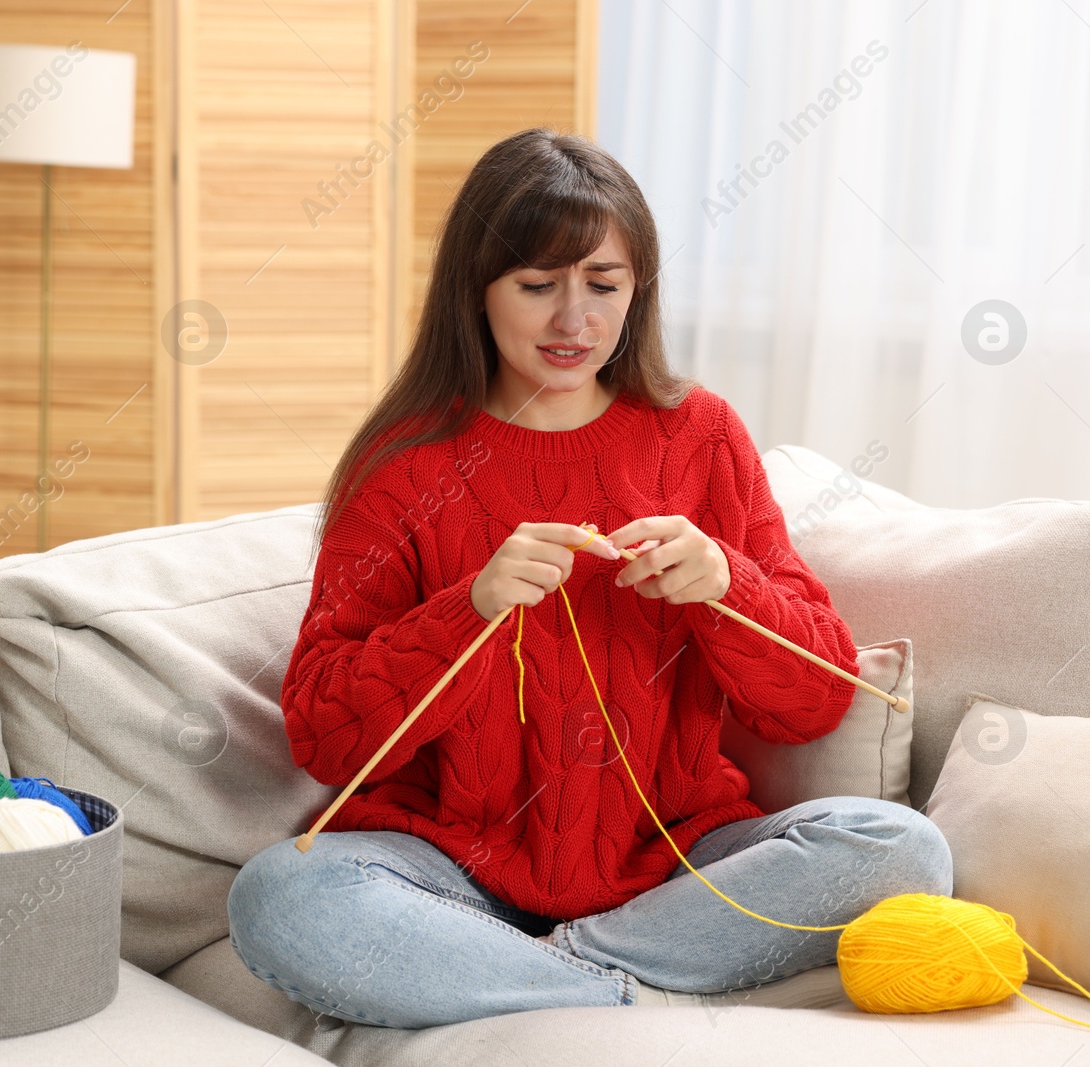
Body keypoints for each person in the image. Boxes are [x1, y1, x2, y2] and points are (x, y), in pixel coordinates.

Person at [227, 127, 952, 1029]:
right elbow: (324, 731)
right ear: (476, 292)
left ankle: (563, 976)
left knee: (903, 848)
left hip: (677, 866)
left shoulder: (701, 436)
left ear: (637, 289)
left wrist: (725, 586)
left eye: (603, 286)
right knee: (279, 897)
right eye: (538, 287)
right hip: (452, 873)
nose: (575, 321)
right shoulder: (403, 464)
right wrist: (471, 605)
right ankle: (614, 999)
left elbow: (814, 703)